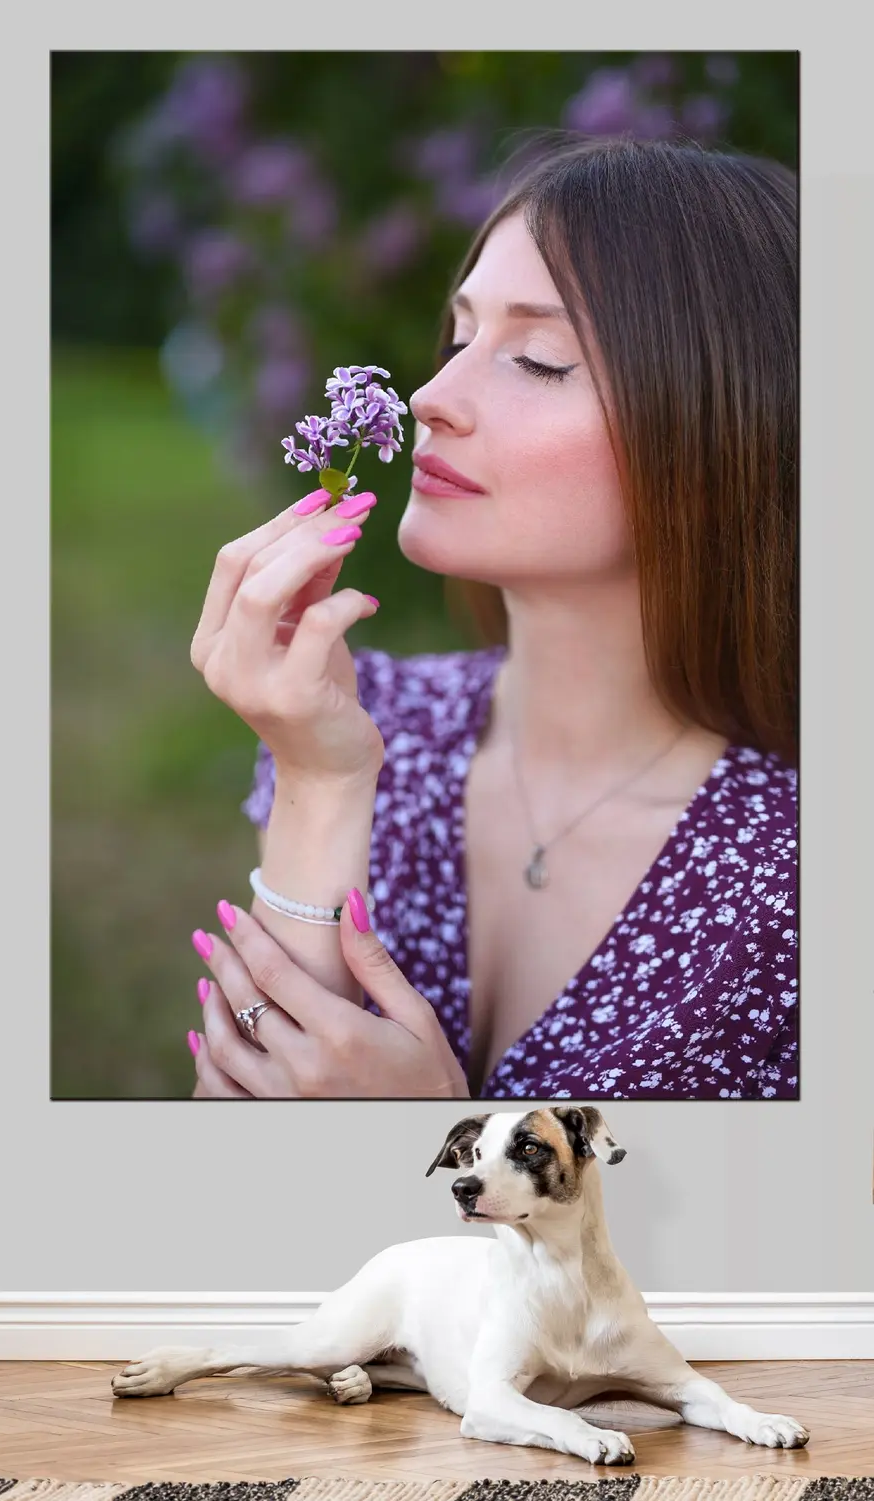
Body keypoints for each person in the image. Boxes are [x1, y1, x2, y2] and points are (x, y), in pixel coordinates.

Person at [186, 132, 797, 1101]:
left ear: (724, 424)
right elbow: (253, 1159)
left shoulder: (797, 880)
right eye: (458, 340)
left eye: (540, 360)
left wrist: (449, 1144)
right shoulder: (371, 724)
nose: (430, 398)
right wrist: (317, 781)